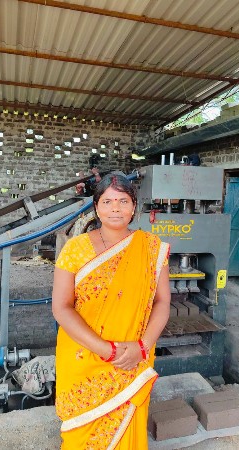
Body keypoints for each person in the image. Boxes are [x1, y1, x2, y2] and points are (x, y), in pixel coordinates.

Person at [52, 173, 171, 449]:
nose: (115, 208)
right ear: (96, 208)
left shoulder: (151, 249)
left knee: (126, 428)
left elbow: (163, 302)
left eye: (122, 201)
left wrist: (142, 348)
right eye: (107, 202)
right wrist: (106, 350)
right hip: (84, 359)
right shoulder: (75, 249)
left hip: (133, 357)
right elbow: (61, 307)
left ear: (133, 207)